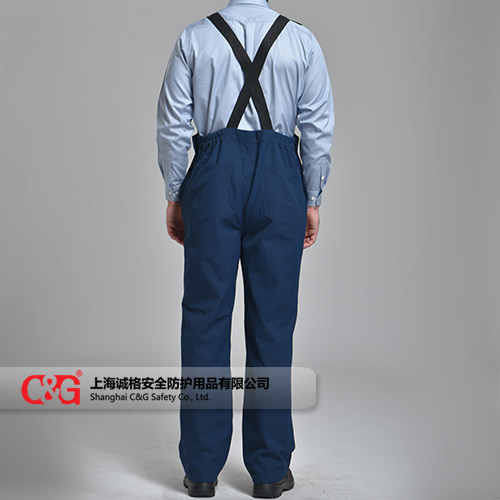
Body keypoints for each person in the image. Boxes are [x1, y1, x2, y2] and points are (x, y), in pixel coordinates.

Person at [156, 0, 334, 497]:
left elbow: (173, 126)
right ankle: (270, 469)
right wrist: (312, 198)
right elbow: (317, 127)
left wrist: (175, 194)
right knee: (273, 322)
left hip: (213, 179)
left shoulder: (194, 38)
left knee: (205, 319)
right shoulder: (301, 41)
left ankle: (201, 469)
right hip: (280, 181)